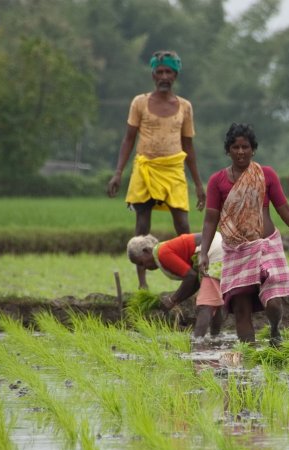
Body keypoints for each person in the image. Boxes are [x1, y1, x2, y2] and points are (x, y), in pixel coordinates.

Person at [107, 50, 206, 290]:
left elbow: (188, 146)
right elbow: (128, 139)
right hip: (146, 168)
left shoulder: (184, 106)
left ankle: (192, 275)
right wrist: (118, 172)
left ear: (175, 75)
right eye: (159, 71)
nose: (164, 76)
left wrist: (199, 184)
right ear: (153, 75)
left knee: (182, 225)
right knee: (142, 226)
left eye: (168, 72)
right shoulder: (139, 102)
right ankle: (142, 283)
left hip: (173, 169)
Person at [198, 123, 289, 343]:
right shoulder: (217, 181)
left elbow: (285, 210)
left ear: (253, 149)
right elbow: (210, 219)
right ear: (228, 150)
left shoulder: (266, 175)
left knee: (272, 300)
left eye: (245, 147)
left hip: (266, 245)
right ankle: (249, 358)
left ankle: (275, 329)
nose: (241, 151)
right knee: (241, 306)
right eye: (235, 147)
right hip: (236, 250)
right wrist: (203, 252)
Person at [127, 232, 224, 339]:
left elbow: (190, 276)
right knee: (214, 302)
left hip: (212, 249)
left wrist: (172, 300)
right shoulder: (164, 249)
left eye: (141, 263)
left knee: (206, 304)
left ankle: (199, 345)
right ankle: (216, 338)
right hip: (215, 244)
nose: (144, 267)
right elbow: (195, 280)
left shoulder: (162, 253)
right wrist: (176, 300)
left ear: (146, 251)